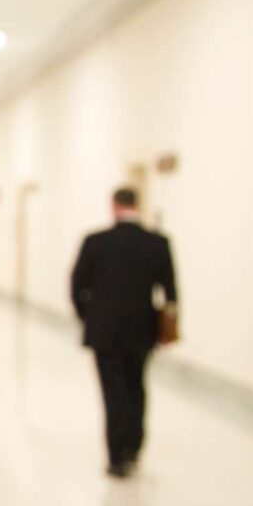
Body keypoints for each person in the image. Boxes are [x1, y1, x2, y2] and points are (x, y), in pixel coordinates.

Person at [69, 188, 178, 477]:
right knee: (136, 386)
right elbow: (170, 292)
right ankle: (134, 446)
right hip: (143, 330)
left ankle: (116, 455)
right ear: (136, 205)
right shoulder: (157, 243)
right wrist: (165, 327)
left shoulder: (96, 242)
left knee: (112, 390)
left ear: (114, 206)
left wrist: (87, 316)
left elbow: (77, 284)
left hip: (104, 331)